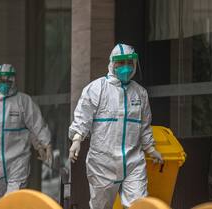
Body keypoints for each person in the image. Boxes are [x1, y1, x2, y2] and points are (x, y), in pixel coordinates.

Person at [68, 44, 163, 209]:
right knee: (101, 206)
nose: (126, 67)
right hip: (102, 163)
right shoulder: (97, 88)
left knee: (139, 206)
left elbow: (145, 125)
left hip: (133, 162)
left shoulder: (140, 93)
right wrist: (77, 139)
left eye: (129, 63)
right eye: (121, 63)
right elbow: (82, 116)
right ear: (112, 63)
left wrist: (150, 148)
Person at [0, 64, 53, 202]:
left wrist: (45, 144)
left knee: (14, 200)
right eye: (1, 81)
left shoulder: (23, 101)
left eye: (7, 81)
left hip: (18, 159)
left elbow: (36, 124)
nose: (4, 84)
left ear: (14, 80)